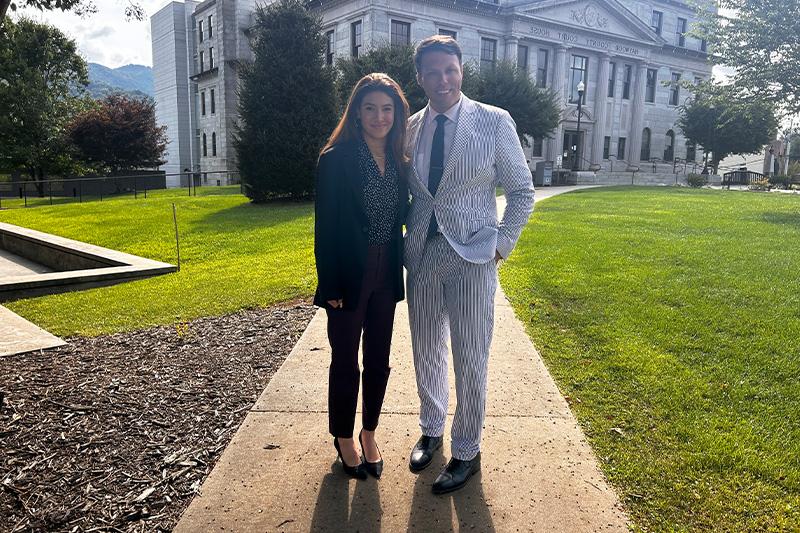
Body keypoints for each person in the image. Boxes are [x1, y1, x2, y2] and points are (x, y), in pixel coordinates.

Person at [404, 35, 535, 494]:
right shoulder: (411, 127)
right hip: (422, 256)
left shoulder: (494, 121)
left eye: (451, 70)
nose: (443, 80)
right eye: (434, 72)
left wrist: (502, 245)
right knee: (425, 351)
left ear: (462, 72)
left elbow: (521, 191)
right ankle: (432, 427)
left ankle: (467, 451)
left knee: (471, 357)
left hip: (476, 256)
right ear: (420, 78)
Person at [314, 73, 410, 480]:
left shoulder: (402, 159)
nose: (379, 116)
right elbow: (326, 227)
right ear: (356, 112)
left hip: (387, 269)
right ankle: (344, 437)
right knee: (345, 360)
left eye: (387, 108)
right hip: (348, 275)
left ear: (397, 113)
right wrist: (330, 283)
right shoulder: (335, 159)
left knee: (379, 360)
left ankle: (369, 431)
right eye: (369, 108)